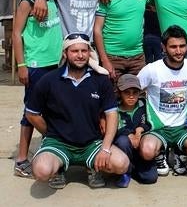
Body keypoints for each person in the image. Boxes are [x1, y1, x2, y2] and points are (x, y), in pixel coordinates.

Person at [25, 33, 129, 189]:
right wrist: (51, 132)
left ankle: (93, 167)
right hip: (58, 143)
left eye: (84, 51)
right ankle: (58, 169)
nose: (80, 55)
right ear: (65, 53)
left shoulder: (100, 80)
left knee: (122, 164)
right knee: (41, 171)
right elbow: (31, 114)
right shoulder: (49, 80)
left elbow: (112, 115)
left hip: (91, 143)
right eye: (74, 51)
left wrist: (106, 148)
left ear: (89, 53)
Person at [12, 0, 63, 178]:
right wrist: (21, 65)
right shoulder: (28, 1)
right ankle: (21, 159)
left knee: (49, 109)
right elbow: (15, 34)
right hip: (35, 65)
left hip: (54, 64)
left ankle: (47, 147)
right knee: (30, 112)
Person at [137, 25, 187, 177]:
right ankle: (160, 153)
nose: (178, 51)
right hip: (158, 128)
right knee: (147, 151)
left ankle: (179, 152)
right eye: (173, 47)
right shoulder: (151, 69)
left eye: (182, 46)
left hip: (183, 127)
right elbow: (132, 91)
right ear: (163, 47)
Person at [94, 0, 147, 80]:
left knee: (139, 97)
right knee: (113, 97)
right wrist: (105, 60)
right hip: (113, 57)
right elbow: (97, 30)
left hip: (138, 57)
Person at [112, 74, 156, 187]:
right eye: (127, 92)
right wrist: (129, 134)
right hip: (123, 148)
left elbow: (150, 121)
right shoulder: (114, 108)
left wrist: (139, 130)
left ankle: (134, 168)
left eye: (135, 93)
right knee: (123, 140)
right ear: (119, 93)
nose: (131, 96)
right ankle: (125, 170)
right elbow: (114, 127)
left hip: (141, 146)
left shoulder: (144, 105)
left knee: (150, 178)